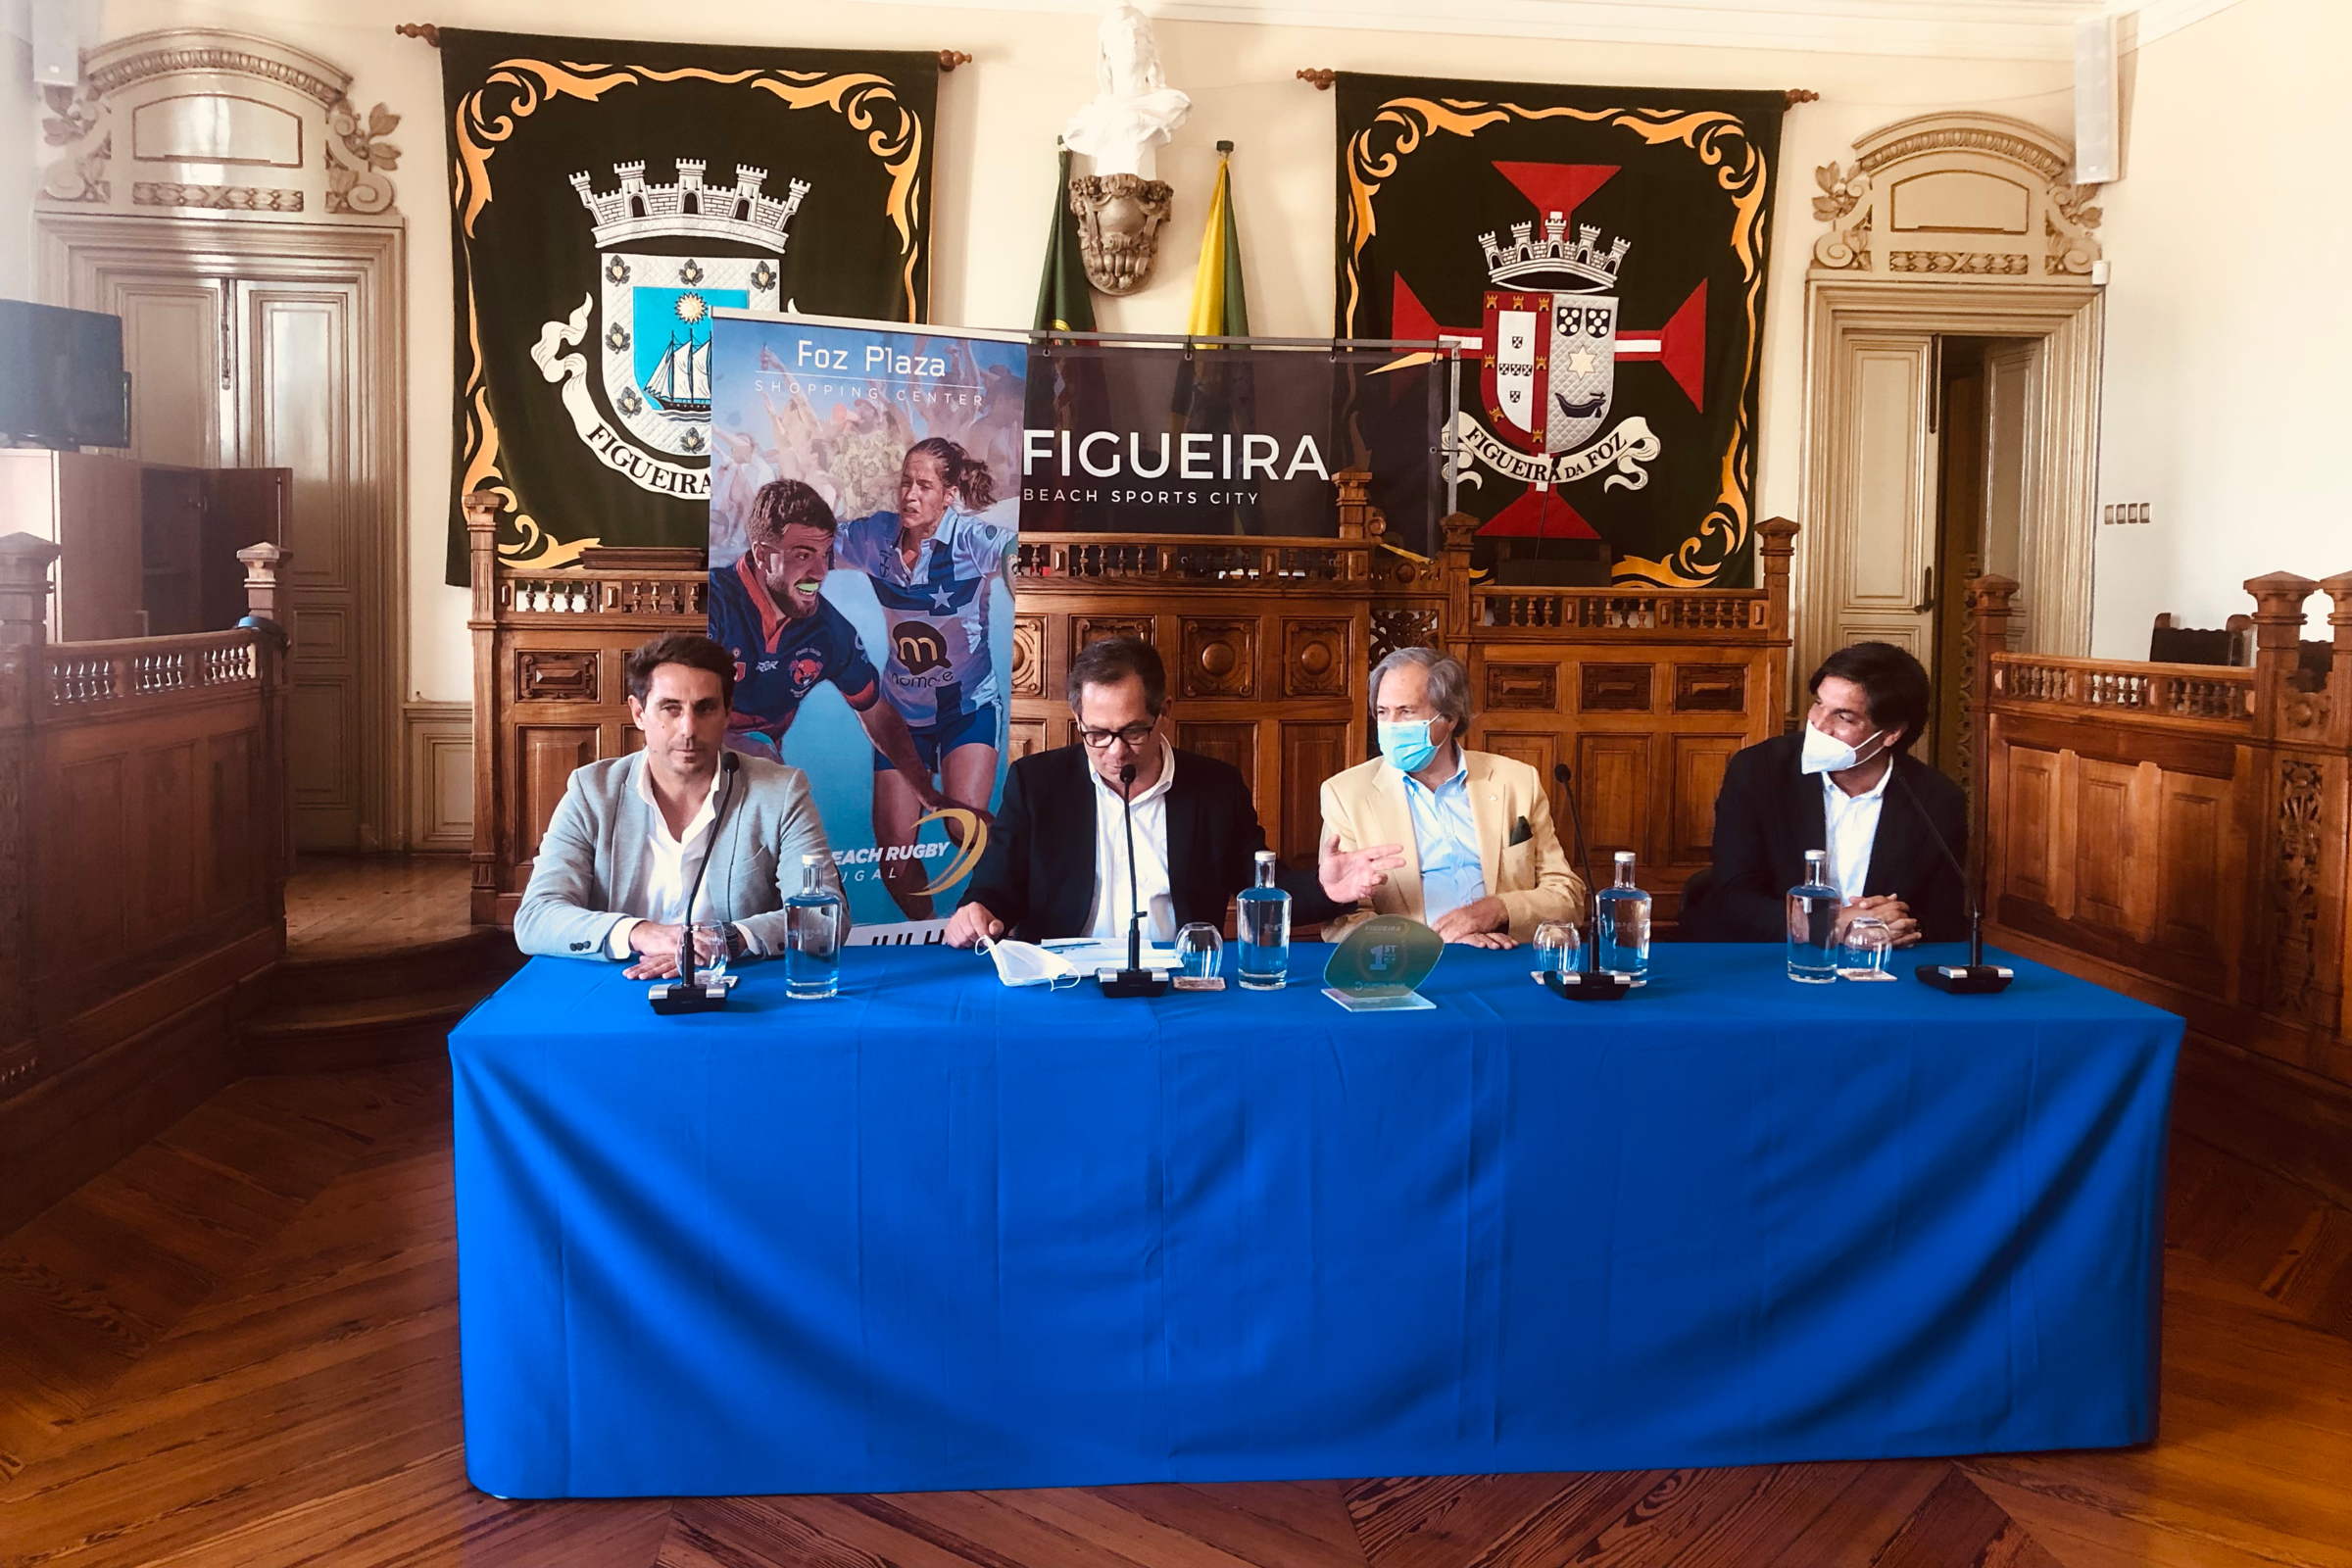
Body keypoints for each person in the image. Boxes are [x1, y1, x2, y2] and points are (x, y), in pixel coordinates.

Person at [943, 635, 1332, 947]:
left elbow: (1261, 891)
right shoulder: (1036, 782)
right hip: (1064, 980)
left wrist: (1325, 888)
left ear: (1164, 712)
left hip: (1179, 980)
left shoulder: (1216, 788)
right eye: (1097, 733)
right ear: (1078, 718)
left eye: (1132, 731)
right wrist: (977, 911)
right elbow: (996, 887)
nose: (1115, 751)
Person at [514, 633, 849, 974]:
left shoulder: (780, 791)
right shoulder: (592, 791)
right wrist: (640, 933)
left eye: (705, 708)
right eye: (670, 708)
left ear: (727, 713)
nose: (689, 729)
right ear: (638, 712)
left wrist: (727, 940)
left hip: (737, 982)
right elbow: (536, 916)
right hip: (620, 980)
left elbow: (824, 915)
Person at [836, 438, 1019, 919]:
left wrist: (1020, 574)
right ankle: (930, 932)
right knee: (895, 858)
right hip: (901, 712)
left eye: (924, 485)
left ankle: (1017, 895)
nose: (910, 495)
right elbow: (814, 546)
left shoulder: (970, 538)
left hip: (967, 707)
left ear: (949, 494)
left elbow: (1011, 552)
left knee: (962, 826)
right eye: (905, 483)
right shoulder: (875, 536)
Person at [1681, 641, 1967, 946]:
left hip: (1877, 962)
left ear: (1890, 734)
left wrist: (1893, 927)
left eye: (1843, 717)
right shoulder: (1758, 770)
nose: (1819, 724)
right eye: (1818, 704)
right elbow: (1734, 896)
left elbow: (1946, 918)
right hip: (1765, 953)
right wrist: (1830, 927)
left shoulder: (1936, 800)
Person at [708, 478, 954, 824]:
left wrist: (927, 792)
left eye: (825, 555)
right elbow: (674, 708)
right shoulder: (713, 603)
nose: (820, 572)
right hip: (699, 762)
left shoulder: (828, 631)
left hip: (762, 777)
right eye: (803, 555)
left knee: (800, 840)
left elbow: (878, 715)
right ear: (762, 555)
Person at [1316, 647, 1585, 947]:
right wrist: (1429, 945)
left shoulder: (1517, 781)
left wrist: (1495, 911)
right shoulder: (1346, 794)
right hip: (1410, 961)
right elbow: (1345, 920)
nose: (1391, 725)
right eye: (1382, 712)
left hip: (1503, 953)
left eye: (1406, 711)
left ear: (1450, 716)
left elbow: (1567, 896)